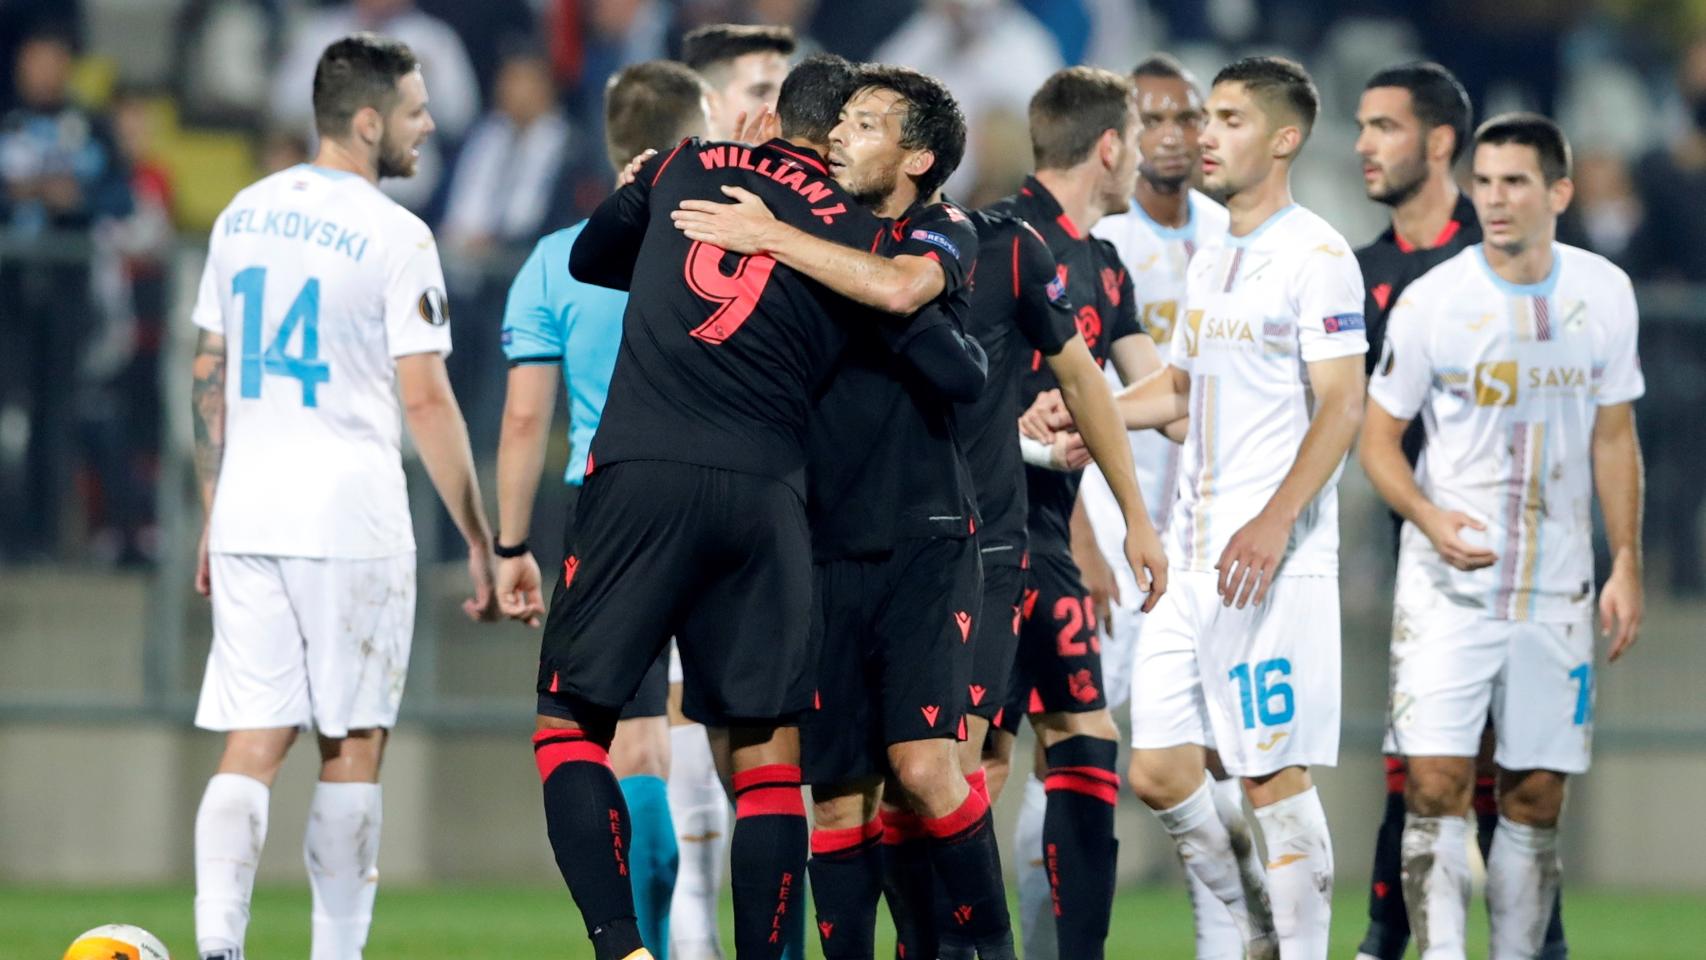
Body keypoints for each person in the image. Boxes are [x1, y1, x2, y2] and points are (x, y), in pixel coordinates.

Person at [538, 55, 987, 960]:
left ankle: (623, 946)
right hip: (771, 500)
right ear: (834, 133)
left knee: (568, 722)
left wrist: (694, 196)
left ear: (776, 114)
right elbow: (954, 369)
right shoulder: (861, 236)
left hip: (643, 474)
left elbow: (590, 257)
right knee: (771, 762)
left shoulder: (683, 167)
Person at [669, 61, 1020, 960]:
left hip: (925, 535)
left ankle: (991, 950)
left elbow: (902, 291)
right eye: (843, 120)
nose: (839, 135)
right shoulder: (818, 221)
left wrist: (776, 232)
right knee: (837, 795)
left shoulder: (944, 229)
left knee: (926, 768)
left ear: (918, 157)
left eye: (866, 124)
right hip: (817, 538)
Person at [187, 33, 498, 960]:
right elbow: (426, 397)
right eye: (414, 110)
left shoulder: (242, 212)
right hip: (348, 517)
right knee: (351, 745)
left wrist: (213, 510)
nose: (428, 125)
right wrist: (481, 539)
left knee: (251, 740)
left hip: (247, 509)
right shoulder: (397, 233)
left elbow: (210, 368)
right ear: (369, 122)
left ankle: (217, 946)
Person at [1362, 112, 1645, 960]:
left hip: (1556, 581)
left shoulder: (1604, 293)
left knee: (1534, 798)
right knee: (1435, 781)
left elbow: (1614, 435)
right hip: (1447, 586)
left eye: (1515, 181)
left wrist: (1624, 559)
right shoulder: (1434, 300)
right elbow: (1377, 440)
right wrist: (1428, 515)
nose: (1494, 197)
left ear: (1558, 192)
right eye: (1483, 181)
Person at [1114, 55, 1369, 960]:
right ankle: (1262, 924)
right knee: (1154, 768)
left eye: (1227, 119)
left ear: (1284, 138)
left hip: (1271, 561)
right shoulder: (1215, 249)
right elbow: (1180, 390)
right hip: (1192, 559)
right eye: (1203, 118)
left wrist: (1273, 519)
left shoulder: (1319, 256)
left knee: (1270, 777)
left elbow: (1342, 404)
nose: (1205, 135)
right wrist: (1091, 415)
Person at [1349, 60, 1576, 960]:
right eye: (1361, 127)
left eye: (1384, 127)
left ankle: (1537, 941)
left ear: (1440, 142)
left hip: (1521, 555)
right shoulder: (1357, 270)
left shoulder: (1496, 262)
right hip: (1421, 545)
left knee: (1514, 768)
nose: (1364, 145)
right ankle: (1383, 940)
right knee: (1423, 766)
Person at [494, 59, 712, 960]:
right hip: (721, 490)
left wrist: (510, 542)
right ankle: (697, 935)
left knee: (613, 741)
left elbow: (522, 418)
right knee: (697, 747)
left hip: (607, 504)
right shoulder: (716, 238)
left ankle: (642, 946)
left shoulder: (556, 258)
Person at [983, 65, 1169, 960]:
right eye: (1134, 142)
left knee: (1085, 742)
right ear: (1108, 147)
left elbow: (1162, 394)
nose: (1141, 159)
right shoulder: (995, 242)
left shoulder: (1103, 262)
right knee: (970, 766)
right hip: (981, 540)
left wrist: (1083, 409)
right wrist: (1032, 430)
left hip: (1047, 537)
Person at [1077, 52, 1237, 960]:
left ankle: (1225, 945)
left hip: (1202, 534)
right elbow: (1065, 392)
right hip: (1106, 525)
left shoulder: (1229, 233)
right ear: (1125, 135)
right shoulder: (1102, 241)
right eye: (1158, 119)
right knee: (1082, 749)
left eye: (1190, 117)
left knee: (1206, 761)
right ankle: (1063, 940)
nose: (1175, 134)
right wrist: (1075, 534)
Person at [681, 23, 796, 141]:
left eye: (787, 95)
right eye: (760, 93)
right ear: (709, 104)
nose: (781, 109)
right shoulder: (672, 159)